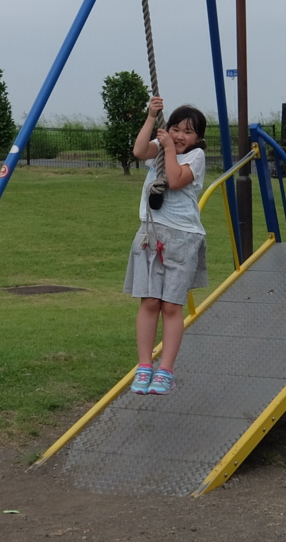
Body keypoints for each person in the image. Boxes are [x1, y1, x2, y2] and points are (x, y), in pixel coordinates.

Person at [124, 97, 209, 395]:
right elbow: (138, 151)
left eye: (188, 131)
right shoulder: (160, 150)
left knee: (171, 305)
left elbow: (174, 180)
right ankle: (144, 365)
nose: (180, 135)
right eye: (175, 128)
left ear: (198, 138)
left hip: (182, 238)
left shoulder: (195, 157)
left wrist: (170, 148)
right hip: (150, 233)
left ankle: (166, 370)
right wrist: (151, 117)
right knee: (149, 302)